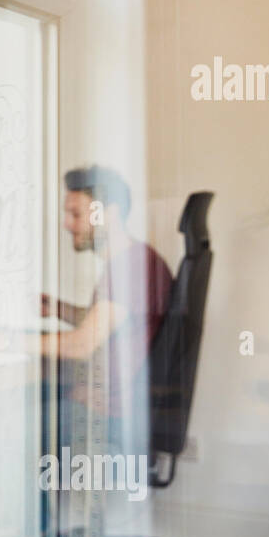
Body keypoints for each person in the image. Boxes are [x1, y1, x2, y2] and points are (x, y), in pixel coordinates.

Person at [38, 165, 174, 432]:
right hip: (97, 405)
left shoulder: (131, 266)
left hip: (104, 416)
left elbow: (81, 345)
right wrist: (59, 309)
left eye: (75, 214)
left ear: (108, 214)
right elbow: (111, 325)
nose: (66, 224)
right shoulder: (132, 260)